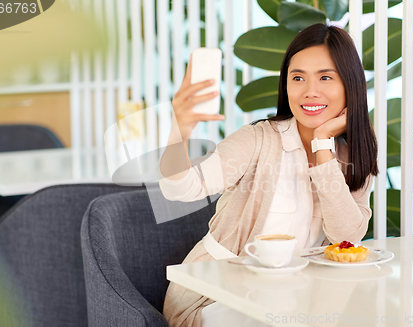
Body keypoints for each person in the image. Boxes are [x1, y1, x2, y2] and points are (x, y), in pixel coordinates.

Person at [159, 23, 378, 327]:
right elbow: (179, 189)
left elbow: (346, 238)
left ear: (350, 86)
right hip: (215, 299)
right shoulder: (258, 140)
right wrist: (179, 129)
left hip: (294, 299)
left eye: (325, 77)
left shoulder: (352, 154)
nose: (310, 91)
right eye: (297, 77)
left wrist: (322, 146)